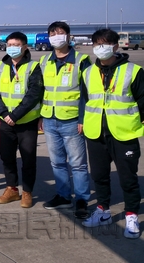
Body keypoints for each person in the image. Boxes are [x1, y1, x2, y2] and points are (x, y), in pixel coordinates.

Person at [79, 29, 144, 238]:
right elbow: (85, 99)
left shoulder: (133, 71)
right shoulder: (88, 72)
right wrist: (83, 122)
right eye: (97, 44)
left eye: (105, 43)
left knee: (128, 178)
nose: (101, 48)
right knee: (99, 176)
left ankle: (132, 214)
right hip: (95, 132)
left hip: (124, 133)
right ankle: (103, 210)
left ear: (116, 46)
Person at [39, 21, 91, 219]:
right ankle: (63, 195)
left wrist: (83, 118)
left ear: (68, 36)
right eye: (52, 33)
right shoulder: (45, 61)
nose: (56, 36)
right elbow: (41, 91)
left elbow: (87, 92)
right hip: (50, 119)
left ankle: (81, 199)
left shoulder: (81, 60)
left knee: (78, 163)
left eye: (60, 33)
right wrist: (40, 117)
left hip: (72, 120)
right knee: (57, 162)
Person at [0, 32, 44, 208]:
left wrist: (15, 115)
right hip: (5, 122)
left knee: (28, 159)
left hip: (26, 122)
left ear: (24, 46)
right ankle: (12, 189)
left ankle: (27, 192)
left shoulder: (33, 67)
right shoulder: (0, 66)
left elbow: (34, 94)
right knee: (7, 157)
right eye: (9, 44)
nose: (12, 47)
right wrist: (5, 113)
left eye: (16, 44)